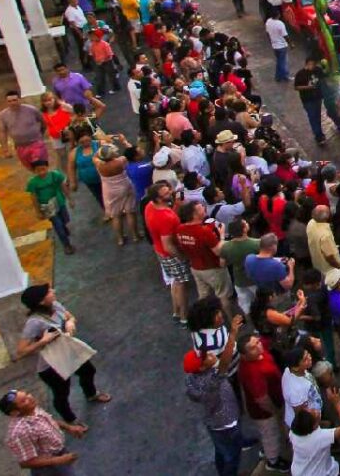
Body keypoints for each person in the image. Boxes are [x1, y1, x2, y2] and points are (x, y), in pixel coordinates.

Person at [16, 284, 111, 427]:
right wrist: (43, 341)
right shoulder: (34, 322)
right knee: (62, 392)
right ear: (41, 301)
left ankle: (91, 394)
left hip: (68, 351)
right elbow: (21, 351)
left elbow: (69, 316)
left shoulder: (55, 305)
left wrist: (70, 322)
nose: (53, 292)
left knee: (88, 371)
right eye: (48, 292)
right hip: (51, 364)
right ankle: (70, 419)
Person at [184, 314, 245, 476]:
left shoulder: (191, 379)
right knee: (232, 456)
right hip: (226, 423)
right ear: (202, 368)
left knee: (221, 451)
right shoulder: (211, 380)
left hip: (213, 423)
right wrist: (232, 334)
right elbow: (224, 363)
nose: (212, 355)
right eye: (208, 357)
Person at [237, 332, 292, 473]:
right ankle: (273, 460)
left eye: (257, 342)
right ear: (244, 355)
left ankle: (268, 450)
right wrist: (275, 411)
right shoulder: (252, 372)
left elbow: (268, 339)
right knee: (270, 434)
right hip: (264, 412)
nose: (258, 345)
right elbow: (261, 399)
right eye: (253, 347)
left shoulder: (259, 354)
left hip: (276, 401)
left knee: (270, 432)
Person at [0, 388, 87, 476]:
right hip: (49, 467)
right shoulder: (20, 432)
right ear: (15, 412)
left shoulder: (33, 409)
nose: (30, 397)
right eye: (24, 400)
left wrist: (69, 427)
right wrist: (59, 460)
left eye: (27, 394)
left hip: (60, 454)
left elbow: (49, 421)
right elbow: (25, 462)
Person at [144, 182, 193, 324]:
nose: (170, 193)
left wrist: (176, 206)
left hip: (160, 251)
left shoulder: (150, 207)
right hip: (171, 254)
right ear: (158, 199)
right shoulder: (165, 217)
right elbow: (168, 244)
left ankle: (176, 311)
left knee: (175, 282)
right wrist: (182, 256)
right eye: (166, 193)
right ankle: (184, 316)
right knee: (181, 284)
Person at [290, 387, 340, 476]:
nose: (316, 410)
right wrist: (338, 404)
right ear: (314, 426)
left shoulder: (293, 432)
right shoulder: (319, 437)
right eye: (315, 413)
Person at [27, 160, 75, 255]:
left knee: (65, 220)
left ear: (47, 167)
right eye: (38, 171)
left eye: (43, 169)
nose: (41, 172)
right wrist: (38, 211)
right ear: (34, 171)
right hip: (47, 207)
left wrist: (70, 199)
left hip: (60, 202)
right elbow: (34, 197)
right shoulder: (33, 182)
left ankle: (64, 229)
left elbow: (63, 186)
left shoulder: (55, 175)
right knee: (58, 226)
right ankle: (66, 245)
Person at [0, 90, 48, 170]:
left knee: (40, 166)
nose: (12, 103)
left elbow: (43, 122)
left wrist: (40, 136)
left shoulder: (32, 110)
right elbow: (3, 132)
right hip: (20, 147)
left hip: (36, 143)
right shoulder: (3, 115)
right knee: (30, 168)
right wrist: (5, 150)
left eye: (14, 100)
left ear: (20, 99)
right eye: (9, 101)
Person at [294, 57, 328, 144]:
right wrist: (309, 87)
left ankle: (319, 133)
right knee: (312, 117)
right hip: (307, 99)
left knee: (317, 116)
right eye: (311, 65)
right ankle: (318, 136)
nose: (313, 67)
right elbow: (296, 87)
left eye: (314, 65)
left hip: (317, 98)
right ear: (307, 64)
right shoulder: (300, 74)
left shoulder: (317, 70)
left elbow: (324, 77)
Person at [265, 12, 291, 82]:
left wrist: (271, 41)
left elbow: (267, 33)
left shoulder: (268, 21)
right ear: (278, 15)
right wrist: (291, 44)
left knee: (279, 61)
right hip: (282, 46)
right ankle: (285, 76)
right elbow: (285, 35)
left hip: (275, 46)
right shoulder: (280, 24)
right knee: (282, 62)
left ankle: (278, 77)